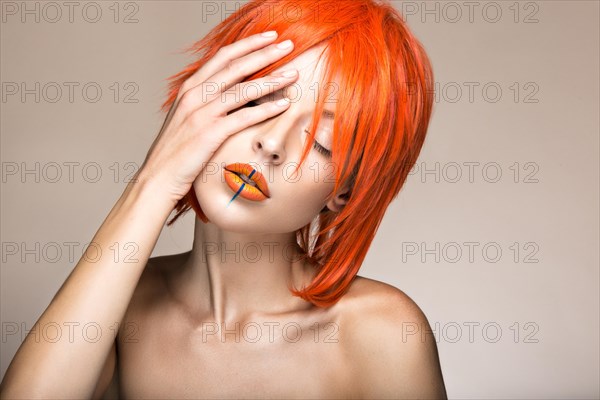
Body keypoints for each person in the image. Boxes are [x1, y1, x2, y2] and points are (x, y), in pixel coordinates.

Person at [0, 0, 447, 398]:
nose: (271, 143)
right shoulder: (119, 310)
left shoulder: (383, 333)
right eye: (258, 100)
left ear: (346, 190)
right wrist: (155, 179)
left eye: (323, 142)